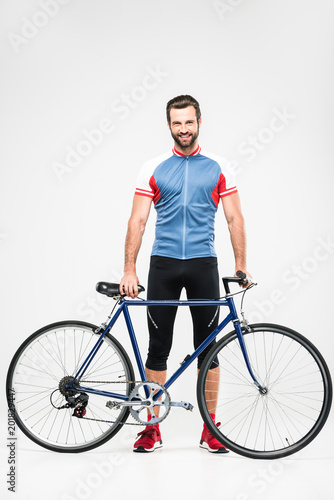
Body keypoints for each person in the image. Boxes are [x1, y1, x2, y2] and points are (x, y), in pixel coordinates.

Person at [119, 95, 250, 453]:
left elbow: (234, 218)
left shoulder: (220, 166)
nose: (183, 129)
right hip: (162, 264)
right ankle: (151, 426)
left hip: (202, 264)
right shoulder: (153, 167)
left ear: (199, 122)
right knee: (157, 348)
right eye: (177, 123)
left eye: (188, 122)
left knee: (208, 350)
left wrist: (240, 264)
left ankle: (210, 429)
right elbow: (138, 219)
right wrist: (129, 268)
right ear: (169, 126)